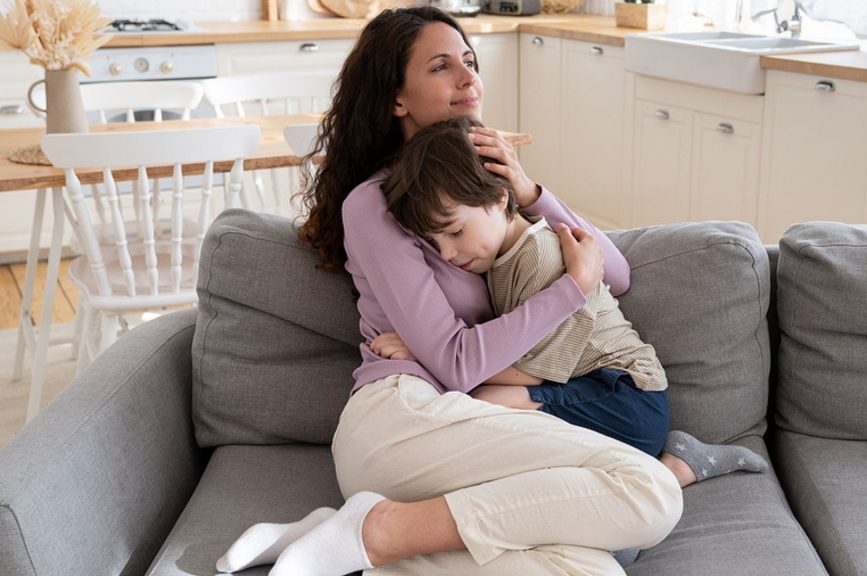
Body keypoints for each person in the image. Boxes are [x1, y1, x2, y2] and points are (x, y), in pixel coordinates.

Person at [214, 7, 737, 576]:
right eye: (442, 66)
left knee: (591, 567)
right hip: (404, 418)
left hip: (458, 422)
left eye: (470, 62)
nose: (469, 79)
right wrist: (570, 288)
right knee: (648, 489)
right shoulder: (376, 203)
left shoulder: (484, 190)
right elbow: (458, 363)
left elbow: (613, 274)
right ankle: (377, 530)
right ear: (397, 98)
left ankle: (346, 539)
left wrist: (530, 191)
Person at [380, 115, 769, 485]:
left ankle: (664, 476)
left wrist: (429, 352)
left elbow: (533, 370)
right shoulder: (501, 259)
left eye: (455, 232)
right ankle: (669, 470)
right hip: (591, 391)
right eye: (435, 243)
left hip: (626, 399)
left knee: (491, 401)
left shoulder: (540, 256)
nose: (447, 254)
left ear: (500, 197)